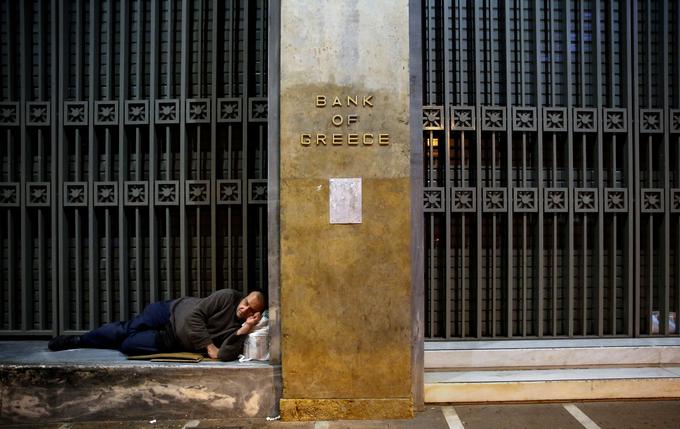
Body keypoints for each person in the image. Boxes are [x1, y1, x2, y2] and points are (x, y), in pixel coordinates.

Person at [48, 288, 265, 361]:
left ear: (256, 316)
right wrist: (209, 346)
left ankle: (109, 340)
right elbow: (194, 317)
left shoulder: (242, 329)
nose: (244, 309)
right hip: (171, 310)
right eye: (246, 303)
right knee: (127, 328)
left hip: (173, 338)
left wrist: (243, 330)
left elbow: (225, 354)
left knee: (127, 345)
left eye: (252, 311)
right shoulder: (228, 297)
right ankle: (80, 340)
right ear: (243, 297)